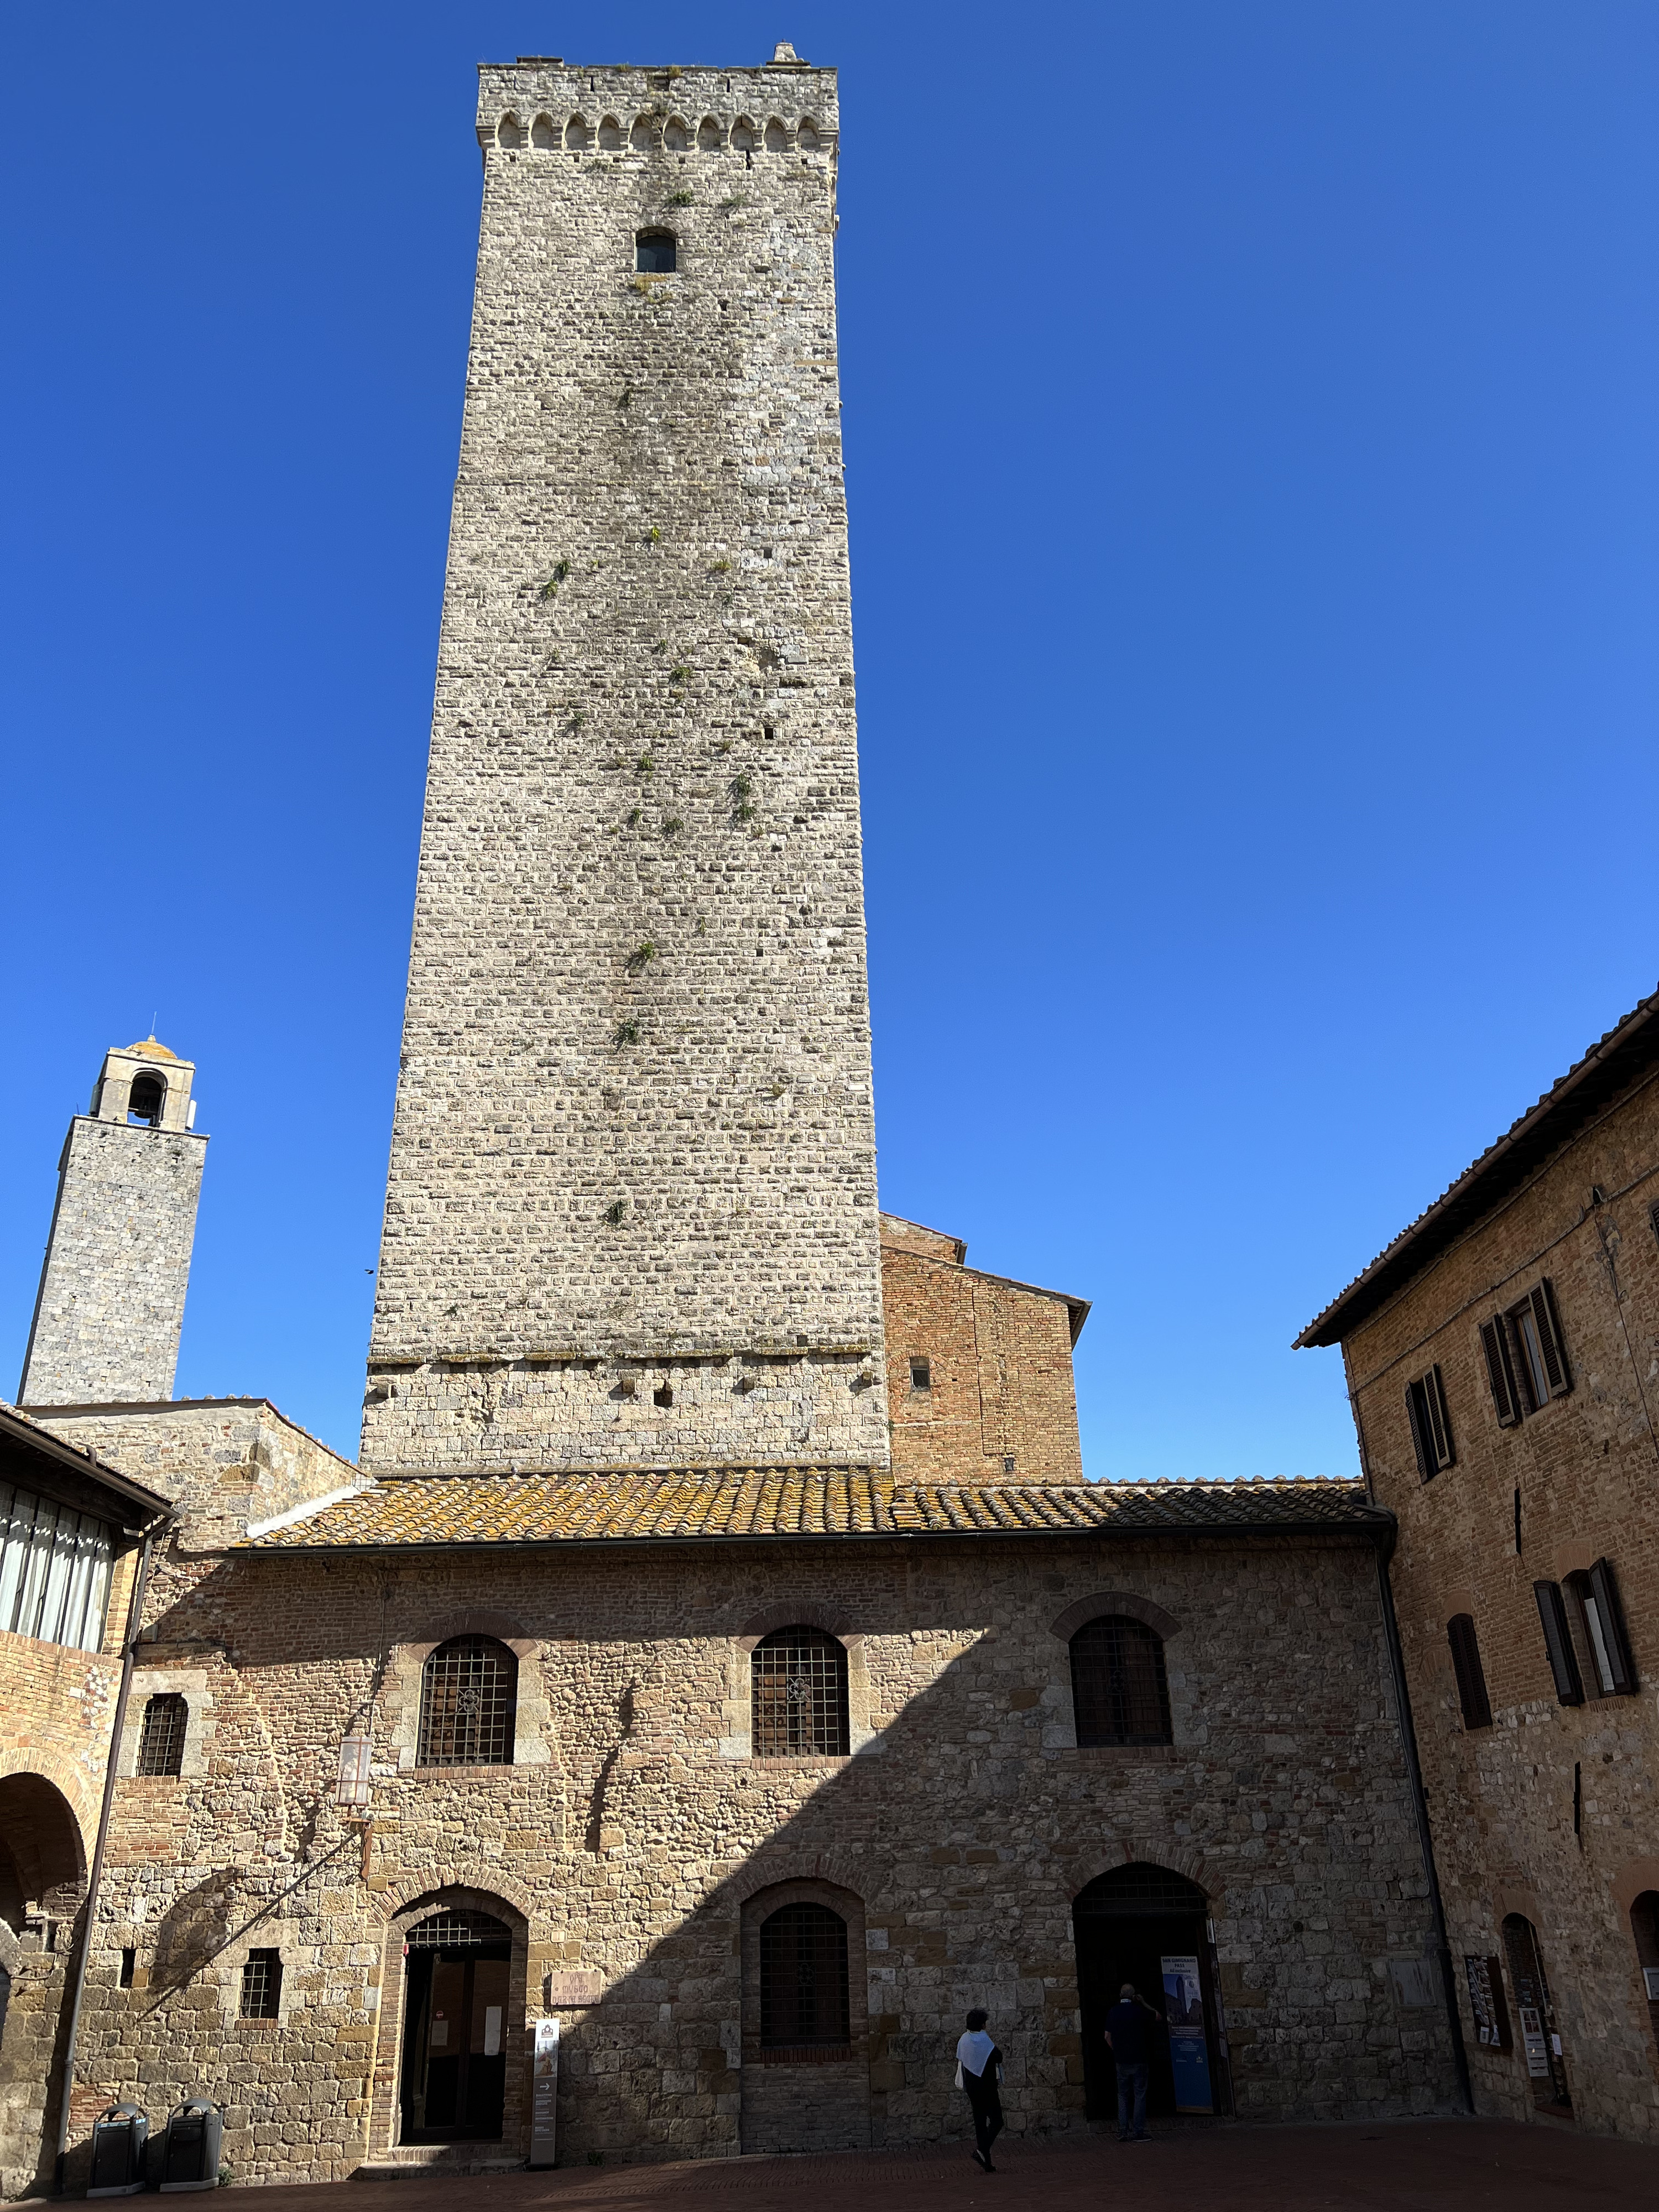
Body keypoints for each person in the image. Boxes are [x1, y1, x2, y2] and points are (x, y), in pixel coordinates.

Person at [1102, 1981, 1161, 2142]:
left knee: (1122, 2095)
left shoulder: (1113, 2012)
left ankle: (1122, 2131)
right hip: (1139, 2059)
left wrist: (1116, 2049)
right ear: (1133, 1996)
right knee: (1140, 2094)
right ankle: (1138, 2132)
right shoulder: (1139, 2011)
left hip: (1121, 2060)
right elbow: (1157, 2016)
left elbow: (1107, 2036)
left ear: (1121, 1995)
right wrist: (1143, 2002)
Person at [956, 2007, 1004, 2172]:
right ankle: (982, 2151)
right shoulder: (984, 2040)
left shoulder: (963, 2039)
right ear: (982, 2025)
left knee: (981, 2124)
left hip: (972, 2088)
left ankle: (987, 2163)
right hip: (988, 2088)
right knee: (998, 2121)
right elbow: (999, 2057)